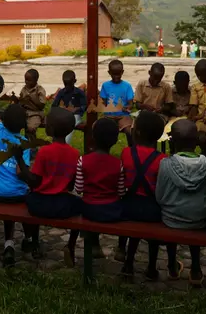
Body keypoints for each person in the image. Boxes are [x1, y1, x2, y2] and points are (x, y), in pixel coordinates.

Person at [13, 107, 82, 260]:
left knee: (30, 197)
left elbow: (34, 181)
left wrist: (19, 161)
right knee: (80, 205)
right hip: (63, 205)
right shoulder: (75, 153)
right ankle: (70, 245)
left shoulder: (44, 151)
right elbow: (71, 186)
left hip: (41, 204)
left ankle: (36, 243)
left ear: (49, 129)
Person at [156, 118, 206, 286]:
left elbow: (160, 196)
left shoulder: (165, 164)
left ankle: (172, 266)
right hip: (199, 219)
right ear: (197, 141)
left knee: (174, 219)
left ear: (171, 141)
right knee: (194, 220)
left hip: (171, 218)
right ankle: (196, 268)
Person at [66, 118, 125, 266]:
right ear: (115, 140)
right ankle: (121, 249)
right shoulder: (118, 164)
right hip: (112, 210)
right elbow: (121, 191)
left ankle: (83, 245)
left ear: (93, 136)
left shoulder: (83, 160)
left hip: (89, 208)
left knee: (78, 205)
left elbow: (78, 189)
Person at [118, 111, 168, 280]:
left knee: (134, 233)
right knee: (153, 237)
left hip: (129, 206)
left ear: (137, 132)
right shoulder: (162, 159)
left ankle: (128, 263)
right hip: (152, 208)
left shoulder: (126, 153)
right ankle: (152, 267)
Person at [0, 103, 36, 267]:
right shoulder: (23, 142)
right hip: (15, 195)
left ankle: (9, 244)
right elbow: (20, 172)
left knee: (10, 198)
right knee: (27, 199)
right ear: (23, 124)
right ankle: (28, 239)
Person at [99, 59, 135, 140]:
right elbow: (104, 103)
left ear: (122, 72)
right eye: (114, 74)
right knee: (100, 129)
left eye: (118, 74)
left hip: (123, 115)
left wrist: (128, 108)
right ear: (109, 73)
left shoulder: (127, 86)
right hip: (109, 115)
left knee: (129, 131)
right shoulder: (105, 85)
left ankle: (131, 149)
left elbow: (131, 104)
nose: (116, 77)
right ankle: (104, 150)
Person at [51, 70, 87, 147]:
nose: (67, 87)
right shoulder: (62, 92)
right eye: (65, 84)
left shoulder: (79, 93)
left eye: (69, 85)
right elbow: (54, 106)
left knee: (71, 124)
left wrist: (75, 110)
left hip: (76, 116)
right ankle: (56, 143)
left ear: (75, 81)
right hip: (64, 115)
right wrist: (61, 109)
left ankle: (64, 145)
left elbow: (84, 106)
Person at [15, 69, 47, 139]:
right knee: (14, 122)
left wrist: (32, 99)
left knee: (31, 128)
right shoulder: (24, 89)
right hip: (24, 112)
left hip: (36, 113)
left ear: (36, 80)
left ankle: (32, 144)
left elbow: (41, 106)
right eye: (25, 80)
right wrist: (17, 100)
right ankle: (20, 141)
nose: (26, 82)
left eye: (29, 80)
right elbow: (21, 101)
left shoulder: (40, 90)